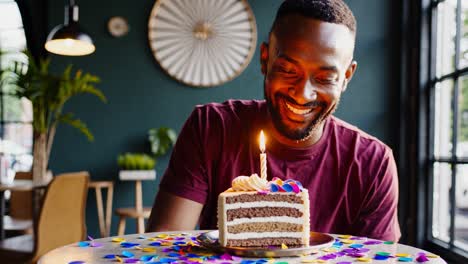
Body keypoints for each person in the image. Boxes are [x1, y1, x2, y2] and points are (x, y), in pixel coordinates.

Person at [147, 0, 401, 241]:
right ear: (265, 59)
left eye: (325, 77)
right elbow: (166, 242)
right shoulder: (211, 127)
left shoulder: (372, 163)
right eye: (289, 71)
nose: (303, 94)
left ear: (346, 76)